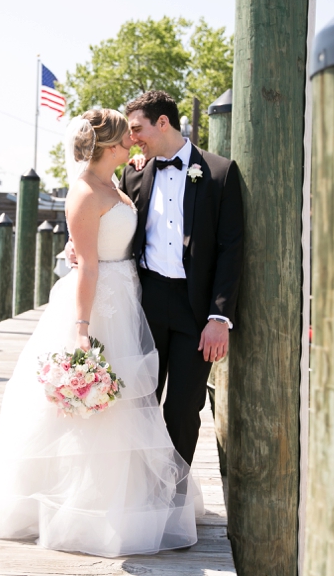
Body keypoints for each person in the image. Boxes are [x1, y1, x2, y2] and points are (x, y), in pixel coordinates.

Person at [0, 108, 200, 557]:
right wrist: (82, 331)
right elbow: (86, 264)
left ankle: (133, 500)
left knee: (128, 405)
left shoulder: (117, 181)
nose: (134, 144)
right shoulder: (85, 191)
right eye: (127, 139)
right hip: (99, 301)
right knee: (100, 409)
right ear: (110, 146)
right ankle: (87, 508)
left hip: (128, 296)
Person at [71, 91, 244, 467]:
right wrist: (77, 249)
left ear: (162, 123)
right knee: (136, 404)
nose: (132, 138)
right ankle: (140, 494)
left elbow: (233, 250)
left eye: (137, 129)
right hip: (142, 303)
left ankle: (173, 499)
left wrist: (219, 318)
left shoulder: (219, 172)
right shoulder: (133, 172)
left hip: (196, 312)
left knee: (183, 408)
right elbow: (105, 223)